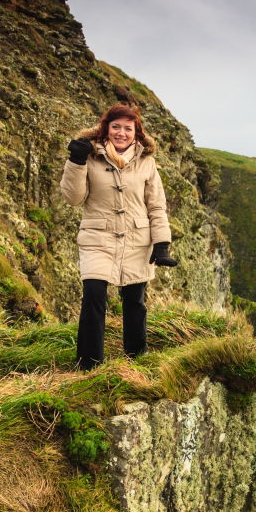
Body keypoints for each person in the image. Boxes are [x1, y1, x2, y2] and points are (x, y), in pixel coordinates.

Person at [59, 104, 178, 371]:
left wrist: (161, 244)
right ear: (105, 129)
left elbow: (156, 206)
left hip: (137, 239)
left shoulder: (147, 162)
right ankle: (89, 365)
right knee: (93, 294)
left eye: (128, 128)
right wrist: (76, 162)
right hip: (98, 237)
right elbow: (73, 198)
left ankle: (137, 360)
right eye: (116, 127)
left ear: (136, 132)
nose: (121, 133)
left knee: (134, 301)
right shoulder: (88, 156)